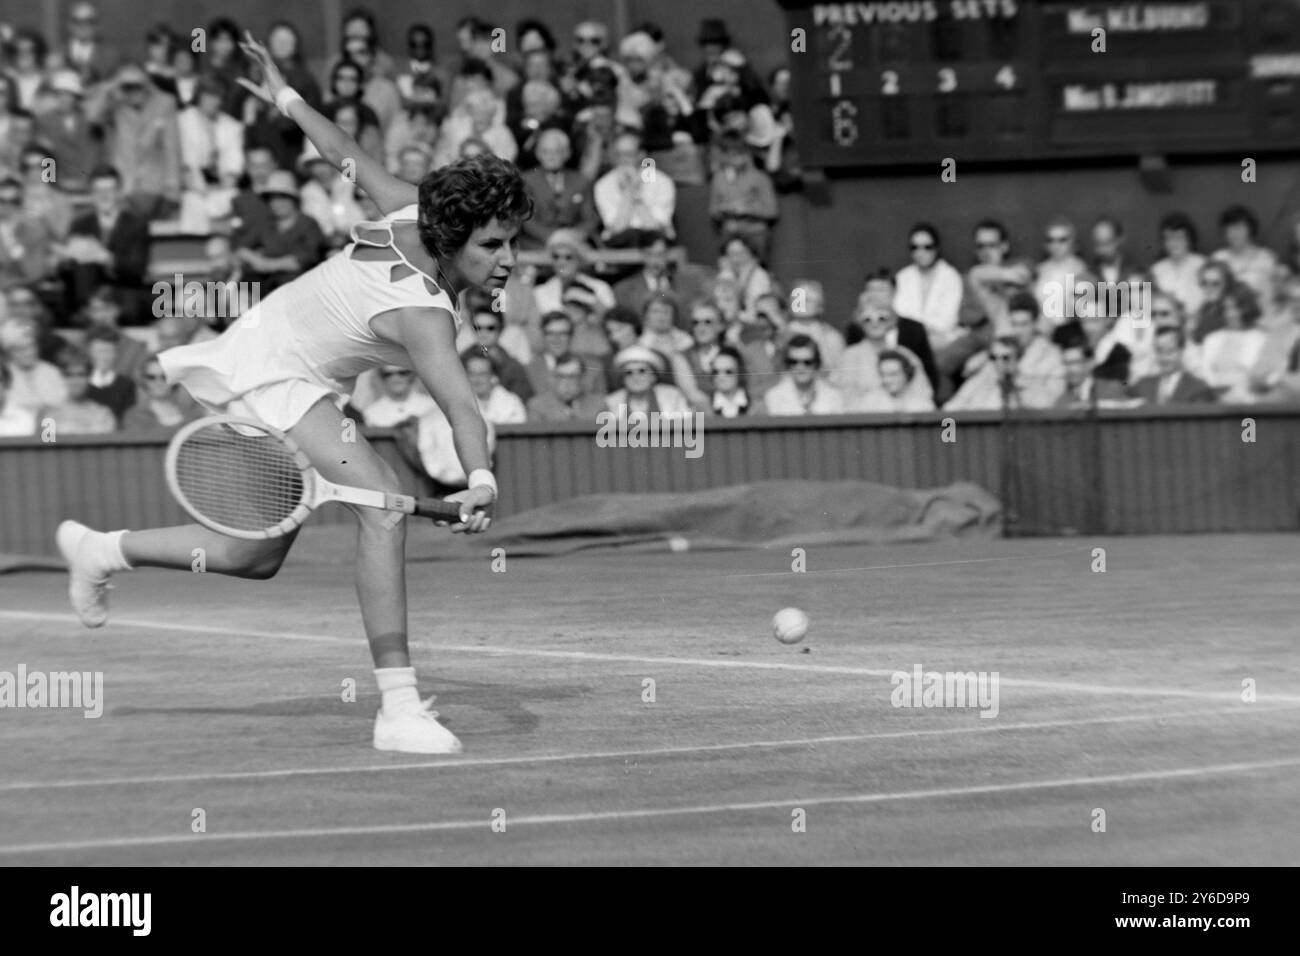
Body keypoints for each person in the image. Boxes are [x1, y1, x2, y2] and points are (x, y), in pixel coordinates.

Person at [56, 33, 527, 756]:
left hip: (281, 362)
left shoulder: (413, 211)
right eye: (493, 245)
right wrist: (483, 478)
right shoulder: (422, 310)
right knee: (384, 506)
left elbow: (343, 154)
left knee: (255, 557)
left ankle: (101, 550)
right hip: (274, 372)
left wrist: (285, 96)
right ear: (456, 234)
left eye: (512, 244)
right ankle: (397, 710)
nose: (508, 261)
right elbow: (462, 404)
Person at [1127, 326, 1217, 406]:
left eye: (1169, 351)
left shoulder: (1198, 388)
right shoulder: (1142, 385)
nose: (1163, 358)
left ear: (1181, 351)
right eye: (1159, 351)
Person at [42, 345, 118, 435]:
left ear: (89, 377)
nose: (76, 381)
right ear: (61, 377)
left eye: (81, 375)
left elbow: (107, 448)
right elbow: (47, 447)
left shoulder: (103, 414)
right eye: (69, 375)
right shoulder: (50, 415)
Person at [762, 335, 845, 415]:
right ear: (788, 364)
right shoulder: (774, 396)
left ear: (816, 363)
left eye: (807, 362)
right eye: (794, 362)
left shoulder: (834, 396)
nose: (800, 367)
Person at [119, 352, 201, 430]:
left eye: (164, 376)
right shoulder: (133, 417)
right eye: (151, 377)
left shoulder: (193, 415)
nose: (158, 382)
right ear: (143, 381)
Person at [526, 353, 606, 422]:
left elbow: (607, 437)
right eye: (561, 376)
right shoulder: (537, 406)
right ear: (553, 378)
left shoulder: (598, 405)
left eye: (572, 377)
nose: (566, 383)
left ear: (582, 378)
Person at [855, 349, 935, 413]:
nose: (886, 380)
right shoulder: (868, 404)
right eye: (883, 374)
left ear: (906, 374)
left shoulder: (923, 405)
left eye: (893, 374)